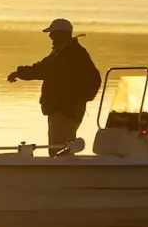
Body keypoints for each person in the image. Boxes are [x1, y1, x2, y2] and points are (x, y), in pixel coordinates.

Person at [7, 18, 101, 154]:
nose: (50, 37)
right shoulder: (63, 52)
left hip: (64, 110)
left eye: (53, 34)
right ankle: (65, 172)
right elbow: (42, 68)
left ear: (62, 34)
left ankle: (63, 173)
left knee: (58, 150)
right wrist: (19, 73)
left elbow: (43, 70)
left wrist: (77, 99)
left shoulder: (70, 54)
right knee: (61, 148)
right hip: (63, 109)